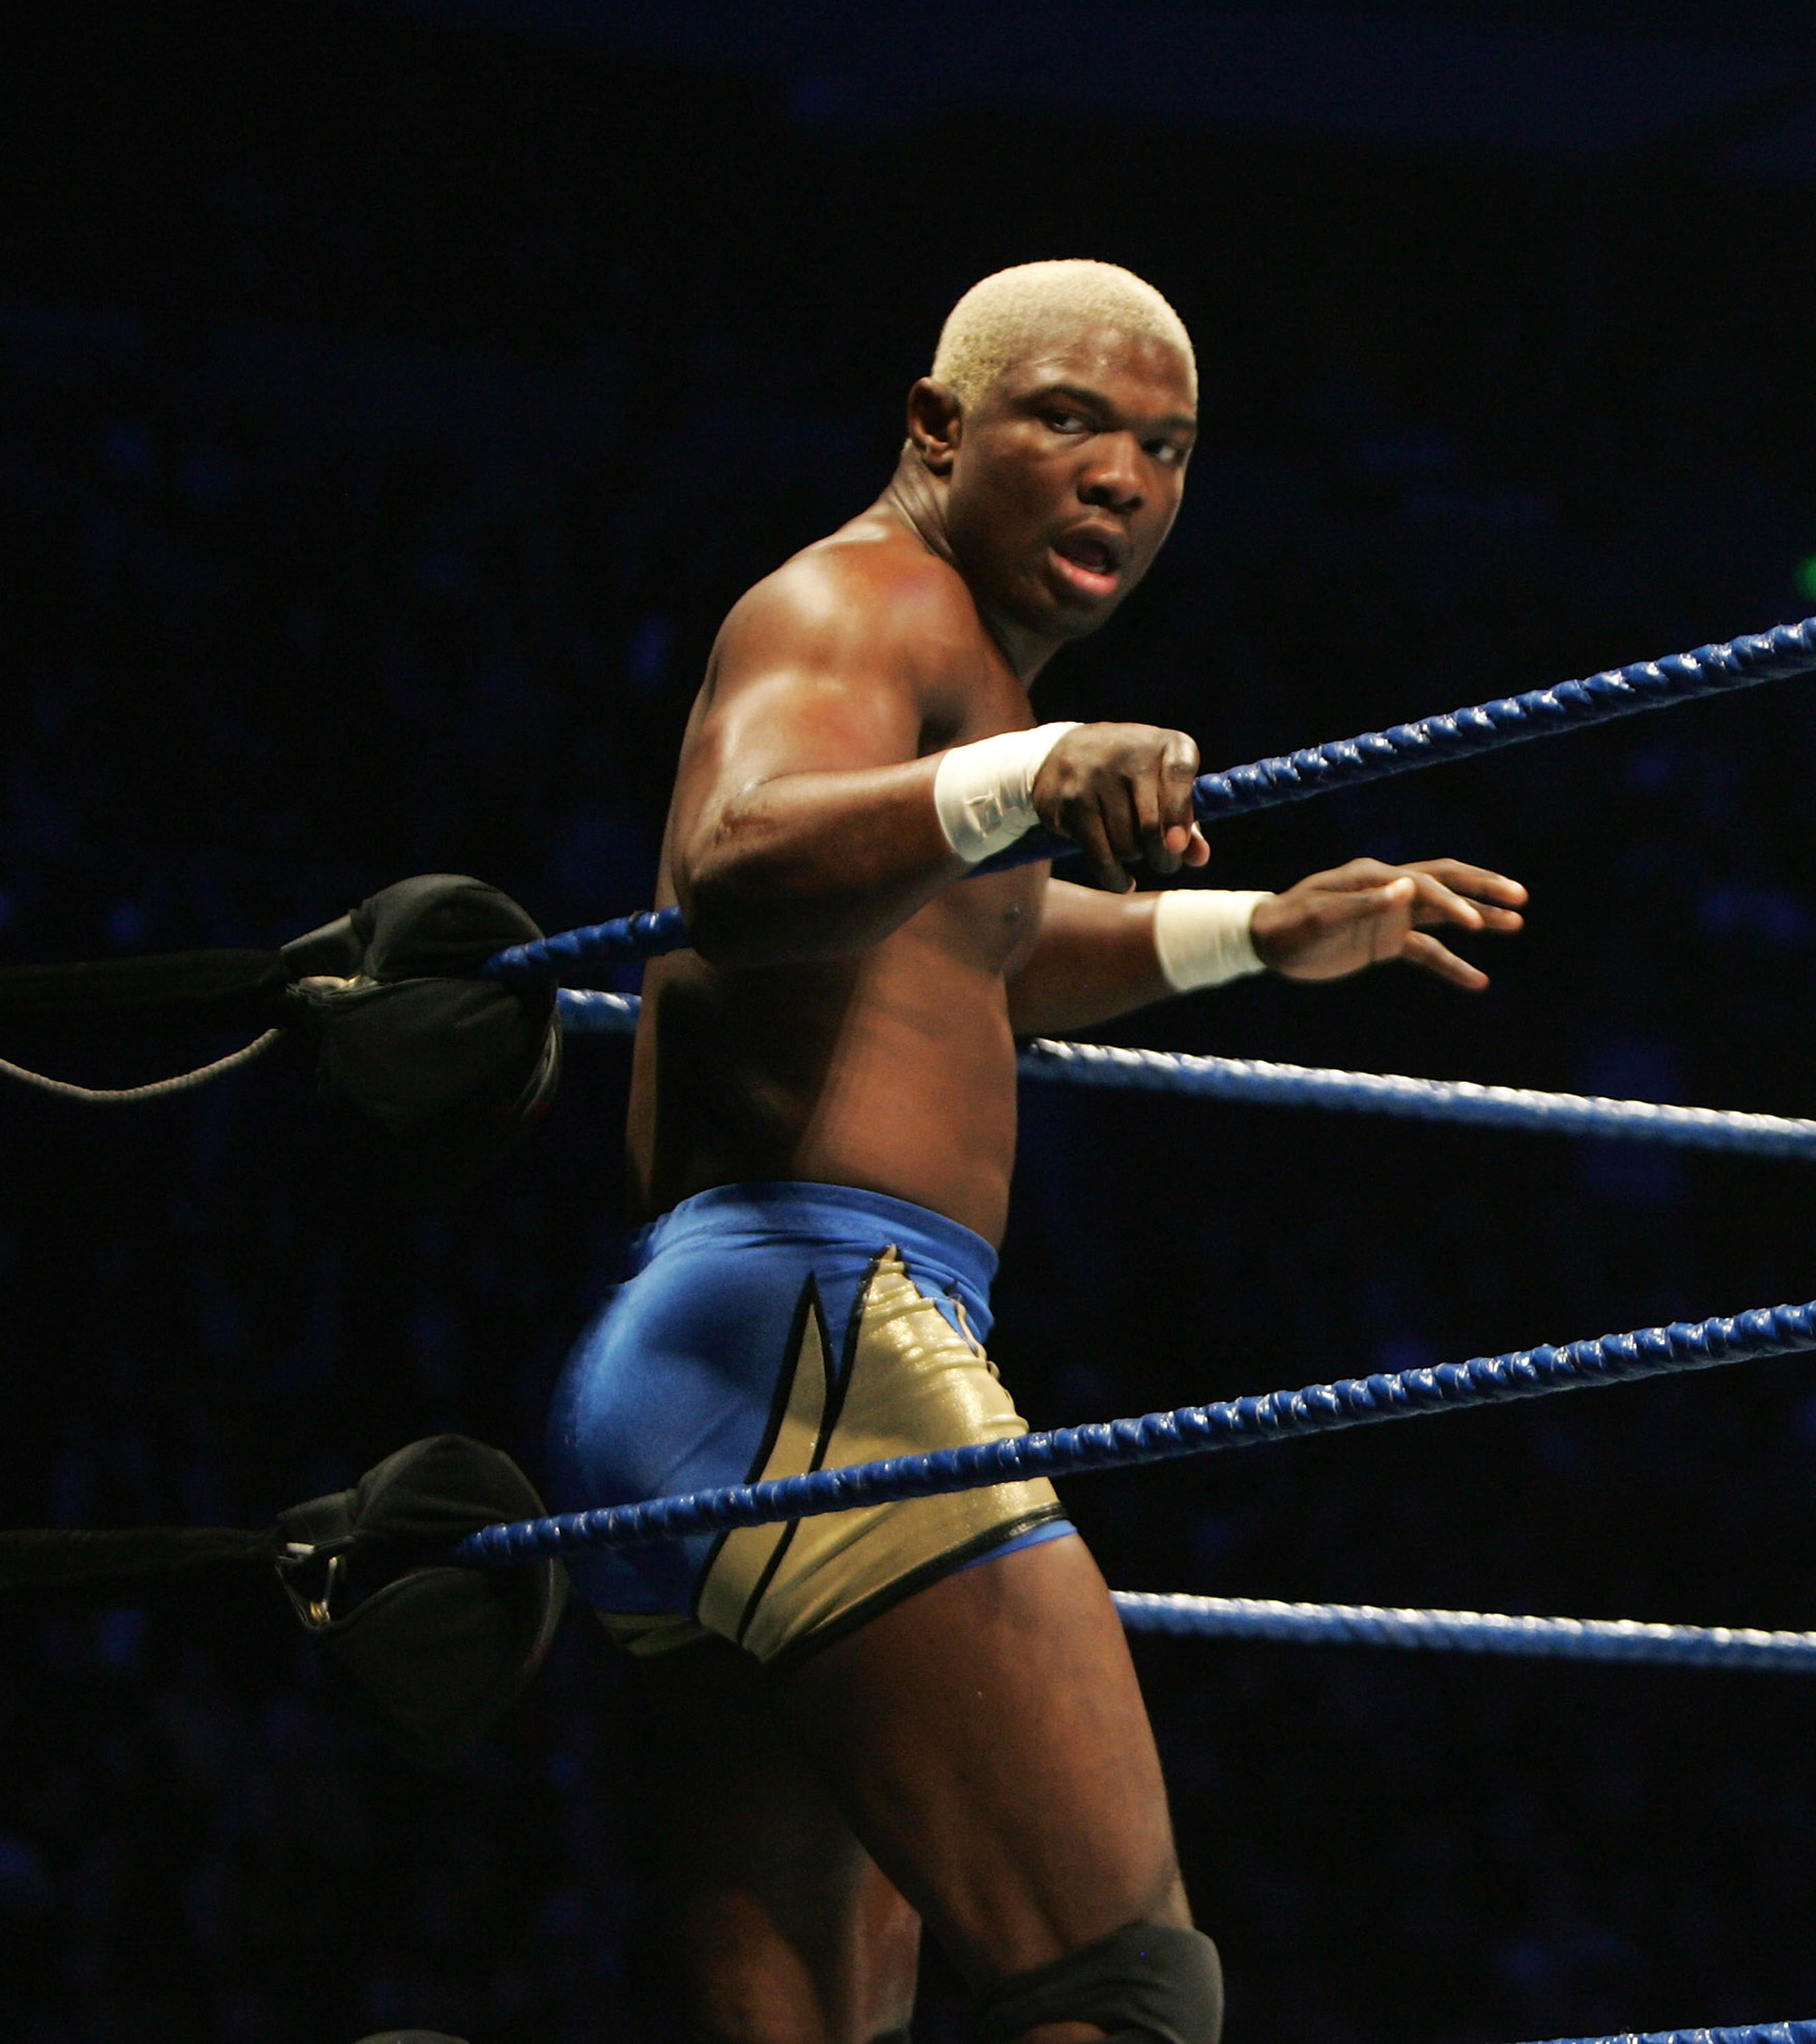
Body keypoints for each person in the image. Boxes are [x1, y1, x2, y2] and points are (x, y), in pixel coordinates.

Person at [545, 260, 1527, 2044]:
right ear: (938, 426)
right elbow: (736, 864)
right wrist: (1038, 767)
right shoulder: (861, 600)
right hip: (814, 1349)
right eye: (1069, 421)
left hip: (698, 1374)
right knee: (1118, 1988)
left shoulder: (963, 683)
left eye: (1166, 447)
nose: (1121, 480)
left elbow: (982, 952)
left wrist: (1258, 932)